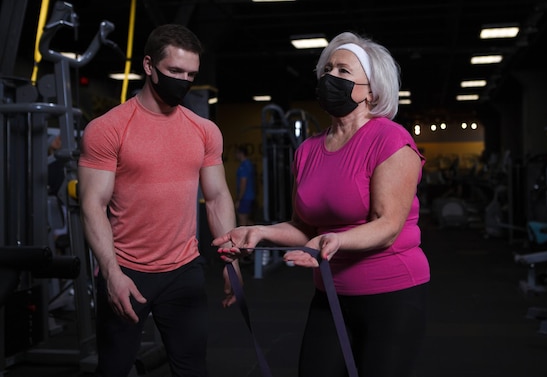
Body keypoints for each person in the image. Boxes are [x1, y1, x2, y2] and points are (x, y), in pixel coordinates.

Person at [213, 31, 430, 377]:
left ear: (371, 90)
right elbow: (304, 228)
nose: (331, 76)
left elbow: (387, 226)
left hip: (392, 291)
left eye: (344, 71)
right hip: (331, 294)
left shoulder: (390, 139)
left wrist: (336, 240)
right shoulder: (308, 150)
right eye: (327, 69)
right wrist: (258, 232)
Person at [78, 24, 240, 377]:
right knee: (115, 369)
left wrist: (229, 258)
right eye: (175, 72)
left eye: (191, 75)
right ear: (149, 66)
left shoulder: (204, 130)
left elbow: (216, 196)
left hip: (185, 269)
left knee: (192, 369)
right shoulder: (109, 128)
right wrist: (111, 273)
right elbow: (92, 204)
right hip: (127, 270)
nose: (183, 81)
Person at [234, 146, 256, 226]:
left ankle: (242, 239)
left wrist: (239, 199)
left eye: (237, 153)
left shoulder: (243, 167)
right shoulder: (249, 164)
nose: (235, 155)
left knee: (242, 221)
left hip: (245, 198)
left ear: (241, 153)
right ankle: (258, 237)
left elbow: (243, 183)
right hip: (250, 197)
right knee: (247, 221)